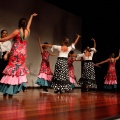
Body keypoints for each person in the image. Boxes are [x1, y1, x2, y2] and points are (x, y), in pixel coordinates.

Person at [0, 13, 38, 99]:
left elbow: (6, 38)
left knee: (11, 70)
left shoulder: (17, 31)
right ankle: (15, 89)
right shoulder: (27, 31)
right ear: (25, 24)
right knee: (19, 70)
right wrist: (31, 17)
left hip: (15, 52)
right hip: (23, 53)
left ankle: (8, 89)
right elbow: (29, 25)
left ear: (19, 24)